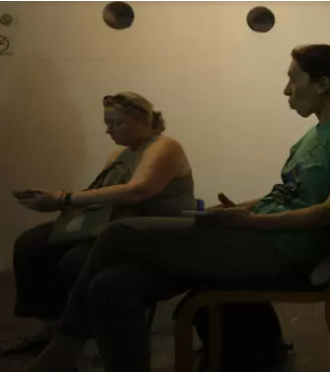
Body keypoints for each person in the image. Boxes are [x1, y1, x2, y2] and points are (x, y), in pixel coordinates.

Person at [0, 44, 330, 372]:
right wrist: (239, 210)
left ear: (322, 84)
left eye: (292, 79)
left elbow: (328, 212)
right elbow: (283, 195)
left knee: (118, 234)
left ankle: (58, 359)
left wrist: (251, 223)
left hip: (279, 251)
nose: (286, 89)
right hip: (257, 237)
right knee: (111, 286)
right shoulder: (312, 135)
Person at [4, 92, 195, 356]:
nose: (109, 130)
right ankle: (52, 327)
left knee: (74, 260)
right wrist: (53, 198)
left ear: (142, 121)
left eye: (117, 123)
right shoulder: (122, 154)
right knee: (32, 244)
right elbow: (101, 193)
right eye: (108, 123)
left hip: (151, 233)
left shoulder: (165, 147)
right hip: (115, 223)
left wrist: (65, 199)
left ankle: (86, 334)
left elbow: (137, 191)